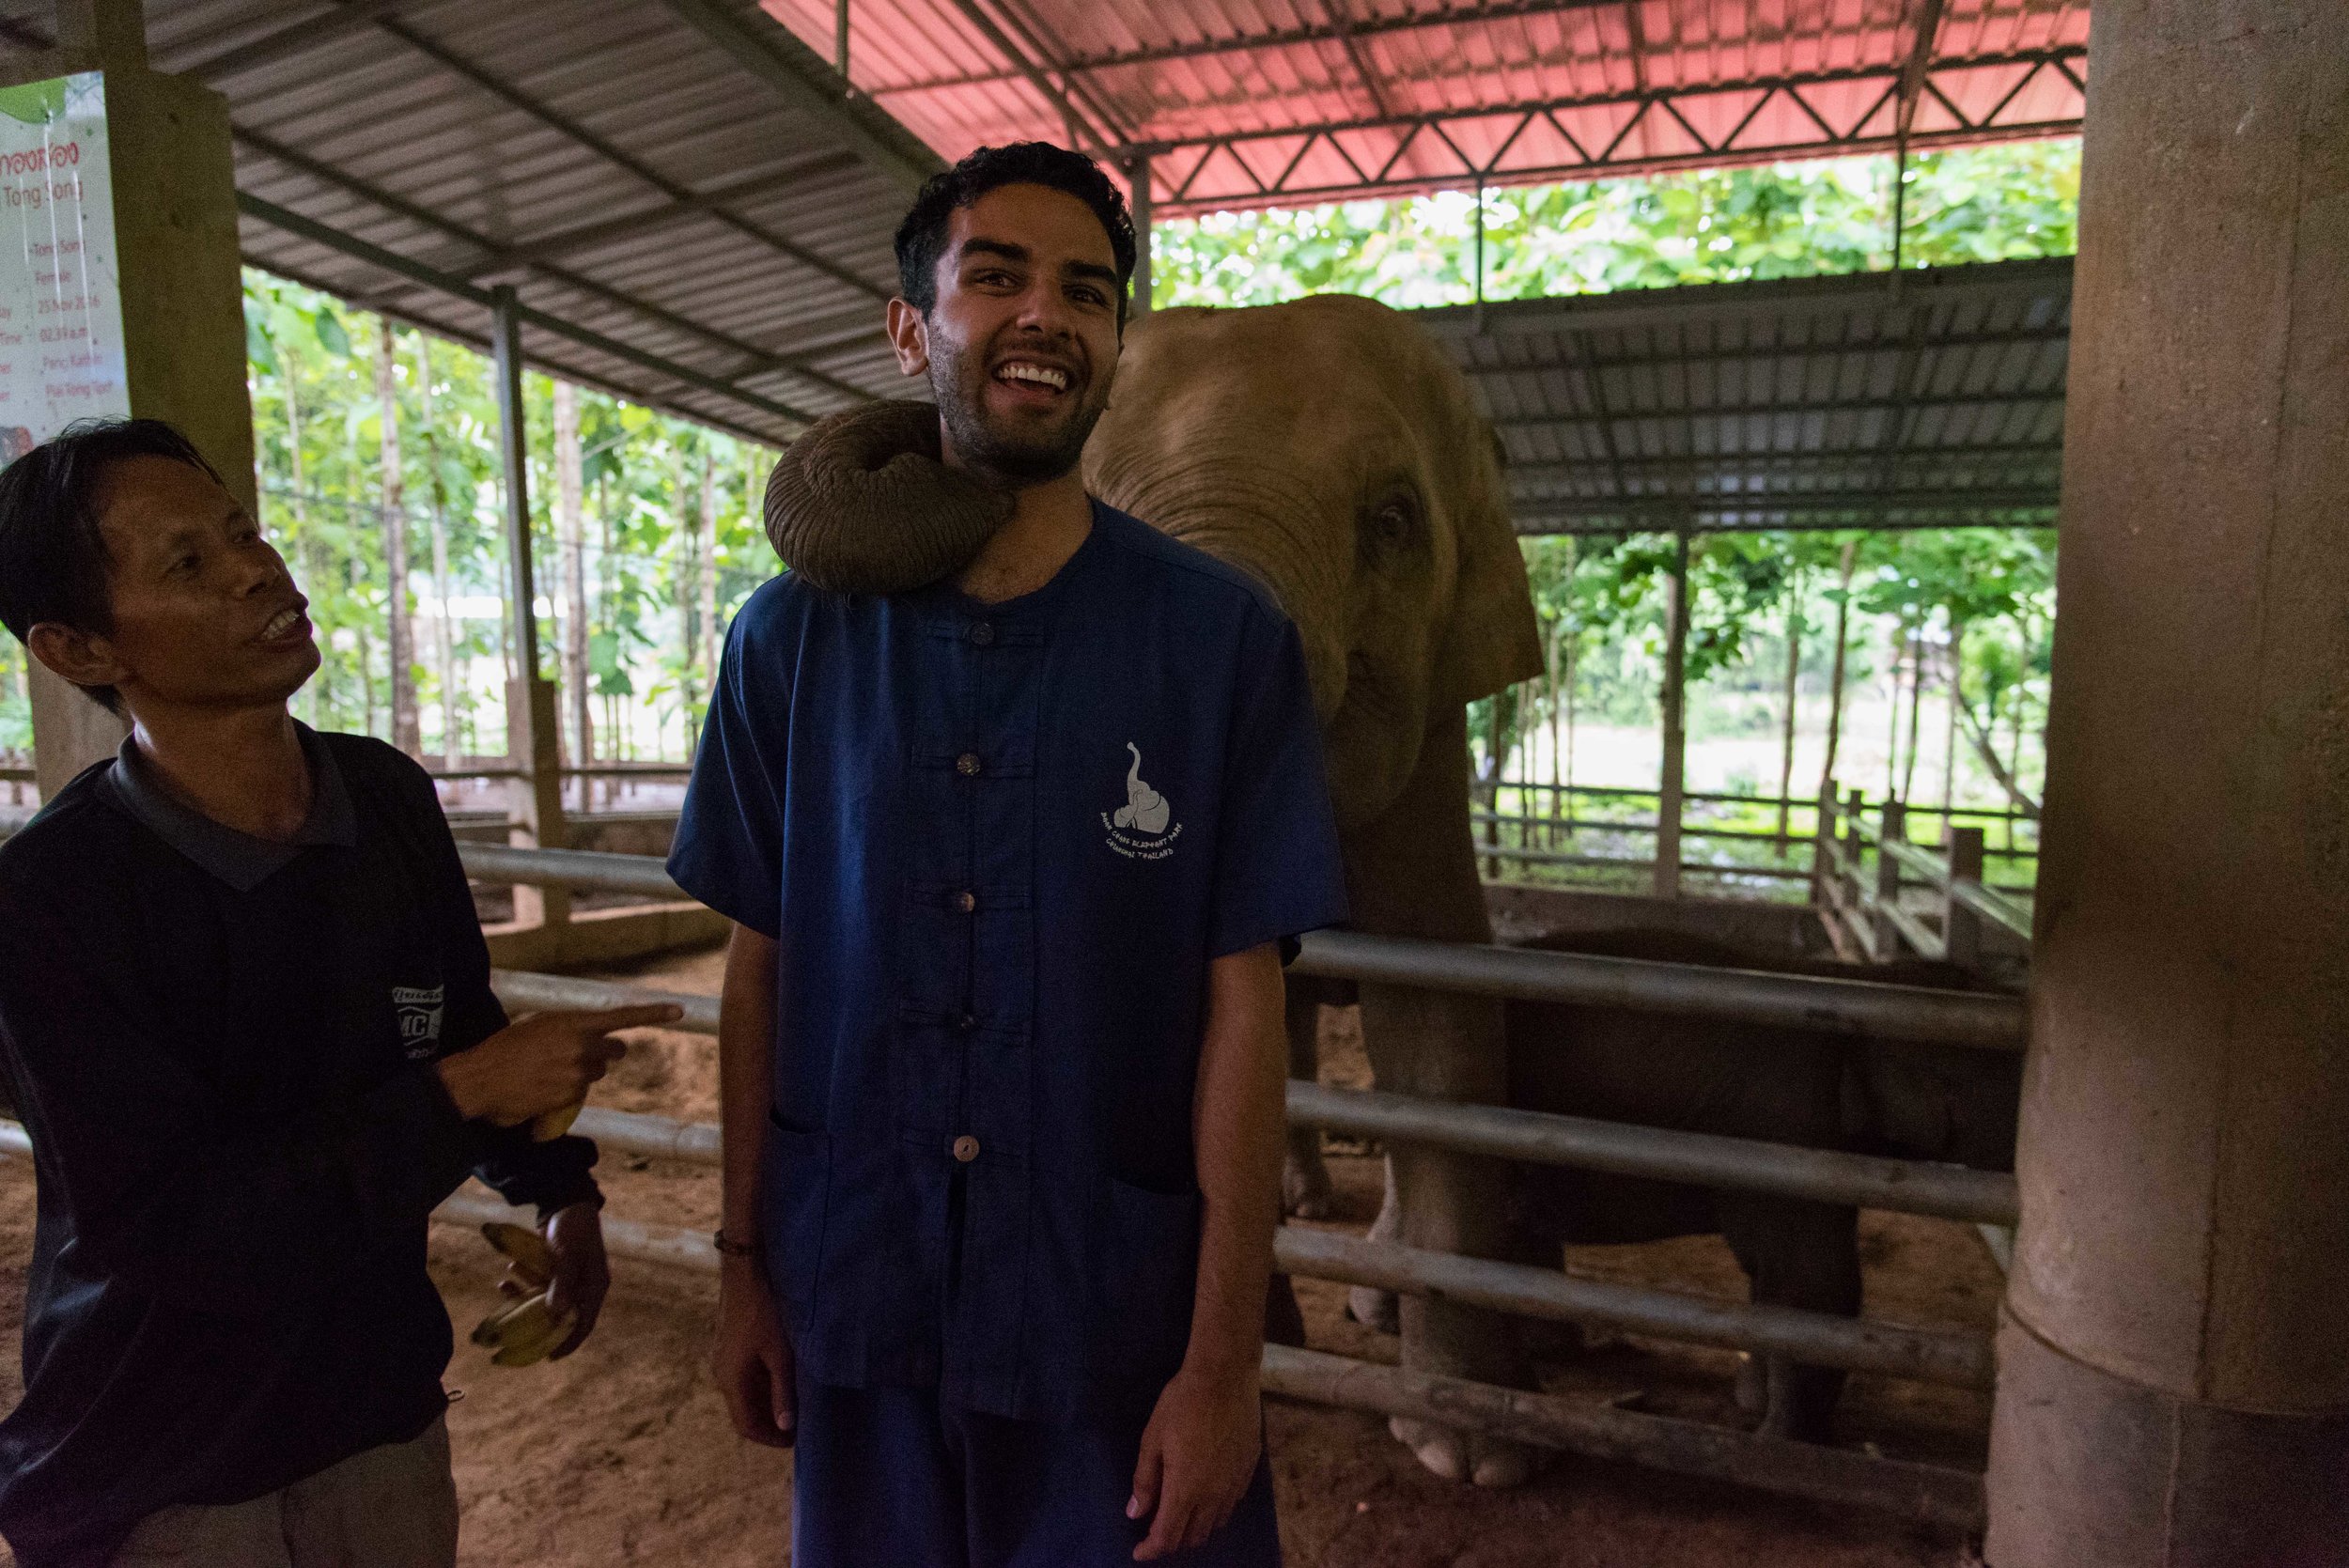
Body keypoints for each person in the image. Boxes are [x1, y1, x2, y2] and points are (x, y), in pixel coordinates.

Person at [672, 142, 1349, 1567]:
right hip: (865, 1291)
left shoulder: (1221, 642)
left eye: (1088, 293)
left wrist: (1224, 1364)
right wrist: (742, 1270)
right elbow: (759, 964)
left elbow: (1247, 1009)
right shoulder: (787, 643)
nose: (1047, 313)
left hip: (1114, 1315)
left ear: (1112, 346)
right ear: (911, 326)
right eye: (996, 277)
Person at [0, 419, 680, 1568]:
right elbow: (174, 1227)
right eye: (188, 564)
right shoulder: (52, 897)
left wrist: (558, 1191)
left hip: (377, 1420)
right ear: (78, 650)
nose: (258, 570)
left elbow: (451, 1016)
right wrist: (465, 1088)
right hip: (166, 1466)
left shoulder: (385, 800)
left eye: (243, 535)